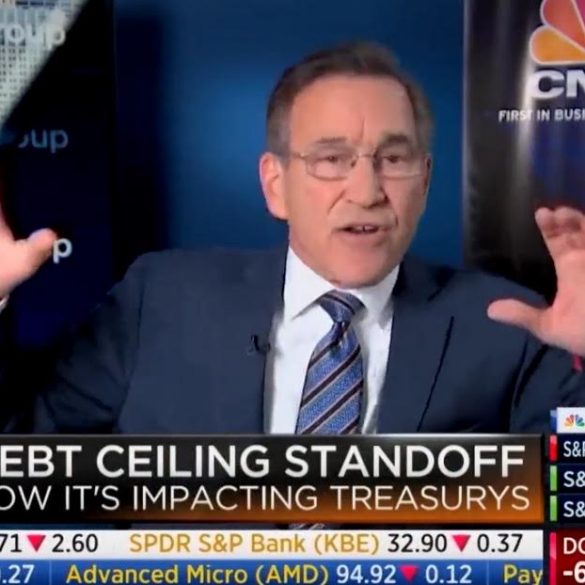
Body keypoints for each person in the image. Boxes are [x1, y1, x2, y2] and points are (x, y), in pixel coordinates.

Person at [1, 41, 584, 434]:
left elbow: (572, 507)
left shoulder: (509, 328)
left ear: (425, 182)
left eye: (393, 159)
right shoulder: (157, 301)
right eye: (331, 159)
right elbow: (21, 451)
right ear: (275, 185)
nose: (367, 191)